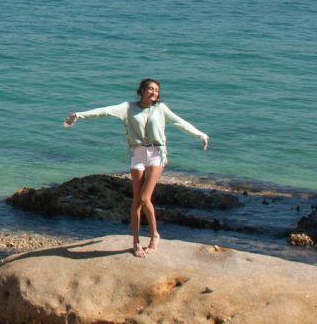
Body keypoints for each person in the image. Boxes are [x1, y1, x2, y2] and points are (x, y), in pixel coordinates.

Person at [63, 79, 209, 258]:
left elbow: (181, 123)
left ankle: (155, 235)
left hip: (157, 154)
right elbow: (104, 111)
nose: (154, 92)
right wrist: (79, 115)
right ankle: (136, 242)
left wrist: (201, 135)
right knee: (136, 202)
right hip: (137, 154)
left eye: (156, 90)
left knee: (145, 197)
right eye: (150, 89)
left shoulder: (161, 109)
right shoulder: (127, 108)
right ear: (141, 91)